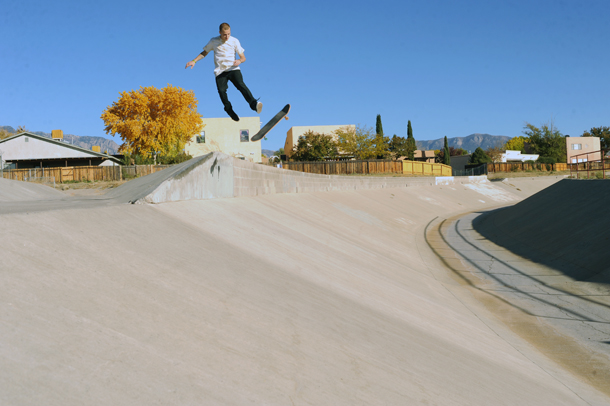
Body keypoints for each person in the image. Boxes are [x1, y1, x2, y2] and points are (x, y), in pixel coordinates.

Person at [185, 22, 262, 122]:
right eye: (224, 34)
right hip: (220, 71)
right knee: (222, 91)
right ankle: (229, 110)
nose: (227, 36)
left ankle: (254, 105)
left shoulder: (235, 41)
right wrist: (194, 61)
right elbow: (205, 52)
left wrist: (239, 60)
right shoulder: (213, 41)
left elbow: (243, 57)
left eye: (229, 34)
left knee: (241, 85)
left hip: (233, 69)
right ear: (220, 32)